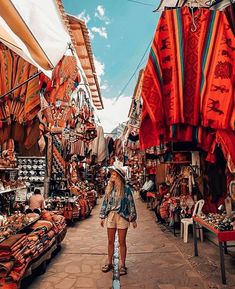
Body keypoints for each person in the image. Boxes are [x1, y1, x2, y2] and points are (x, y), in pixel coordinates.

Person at [100, 165, 137, 276]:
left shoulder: (126, 190)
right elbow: (105, 203)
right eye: (112, 174)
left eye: (114, 174)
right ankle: (110, 263)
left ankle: (122, 265)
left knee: (122, 242)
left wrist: (133, 218)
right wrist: (102, 216)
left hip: (123, 217)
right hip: (111, 216)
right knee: (110, 241)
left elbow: (131, 204)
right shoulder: (109, 189)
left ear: (119, 177)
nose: (112, 176)